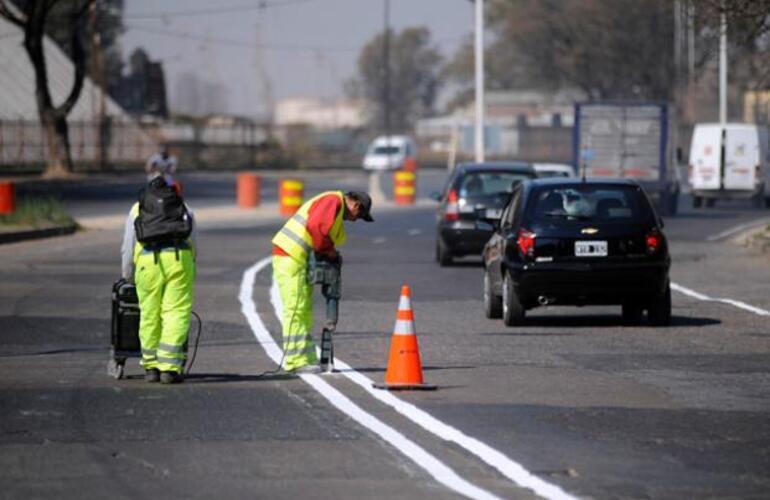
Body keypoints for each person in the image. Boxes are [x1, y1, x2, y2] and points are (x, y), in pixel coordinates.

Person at [271, 190, 374, 373]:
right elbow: (317, 226)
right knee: (295, 309)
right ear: (356, 205)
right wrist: (329, 250)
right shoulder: (333, 201)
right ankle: (295, 361)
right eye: (360, 216)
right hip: (290, 256)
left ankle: (308, 357)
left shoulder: (334, 207)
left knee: (304, 309)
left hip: (298, 259)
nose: (355, 220)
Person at [121, 177, 197, 384]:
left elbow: (128, 246)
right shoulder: (184, 208)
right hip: (179, 260)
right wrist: (189, 267)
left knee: (149, 314)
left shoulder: (137, 209)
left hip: (147, 263)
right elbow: (193, 243)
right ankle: (169, 369)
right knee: (176, 312)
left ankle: (150, 367)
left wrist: (126, 273)